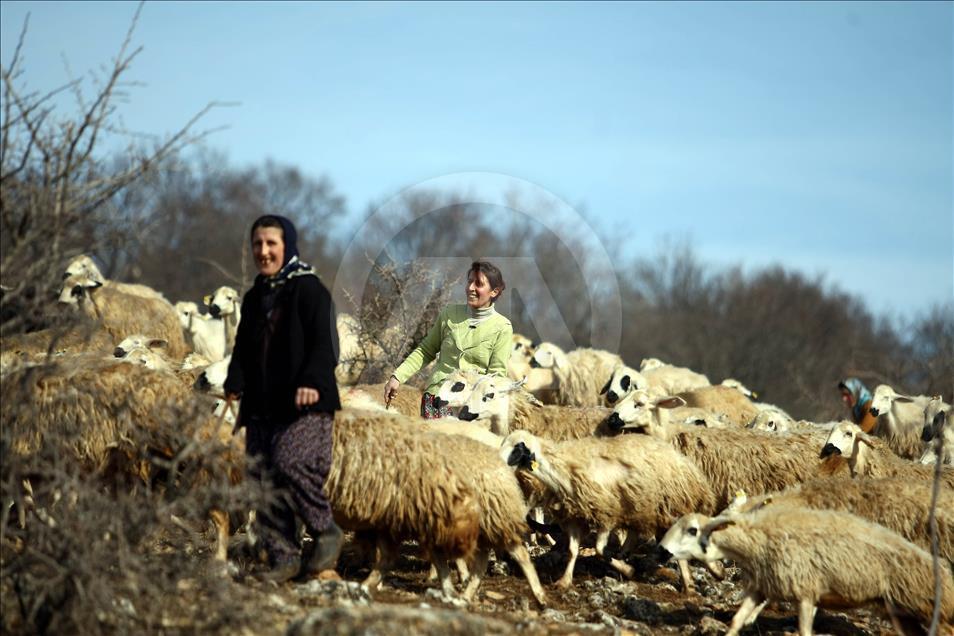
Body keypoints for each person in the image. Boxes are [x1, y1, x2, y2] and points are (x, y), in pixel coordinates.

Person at [224, 214, 342, 583]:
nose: (263, 251)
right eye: (257, 244)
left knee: (292, 462)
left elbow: (325, 343)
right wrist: (234, 379)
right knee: (262, 478)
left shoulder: (309, 289)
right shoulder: (254, 296)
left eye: (271, 243)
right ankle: (284, 558)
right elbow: (243, 347)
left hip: (305, 403)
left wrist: (312, 381)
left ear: (287, 246)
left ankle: (325, 531)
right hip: (261, 405)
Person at [384, 261, 512, 418]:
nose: (471, 288)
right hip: (436, 399)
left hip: (470, 408)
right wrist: (397, 377)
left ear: (494, 291)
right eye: (469, 281)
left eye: (478, 284)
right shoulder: (449, 314)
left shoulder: (502, 327)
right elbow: (425, 350)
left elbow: (496, 376)